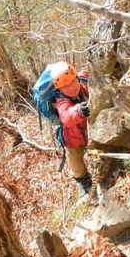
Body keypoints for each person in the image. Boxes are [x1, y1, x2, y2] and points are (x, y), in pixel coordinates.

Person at [50, 62, 92, 197]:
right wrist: (78, 111)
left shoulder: (83, 80)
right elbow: (66, 116)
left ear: (77, 78)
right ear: (60, 89)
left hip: (87, 129)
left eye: (73, 82)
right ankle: (83, 182)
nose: (71, 88)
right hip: (72, 138)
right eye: (65, 87)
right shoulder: (60, 100)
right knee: (75, 161)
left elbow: (91, 71)